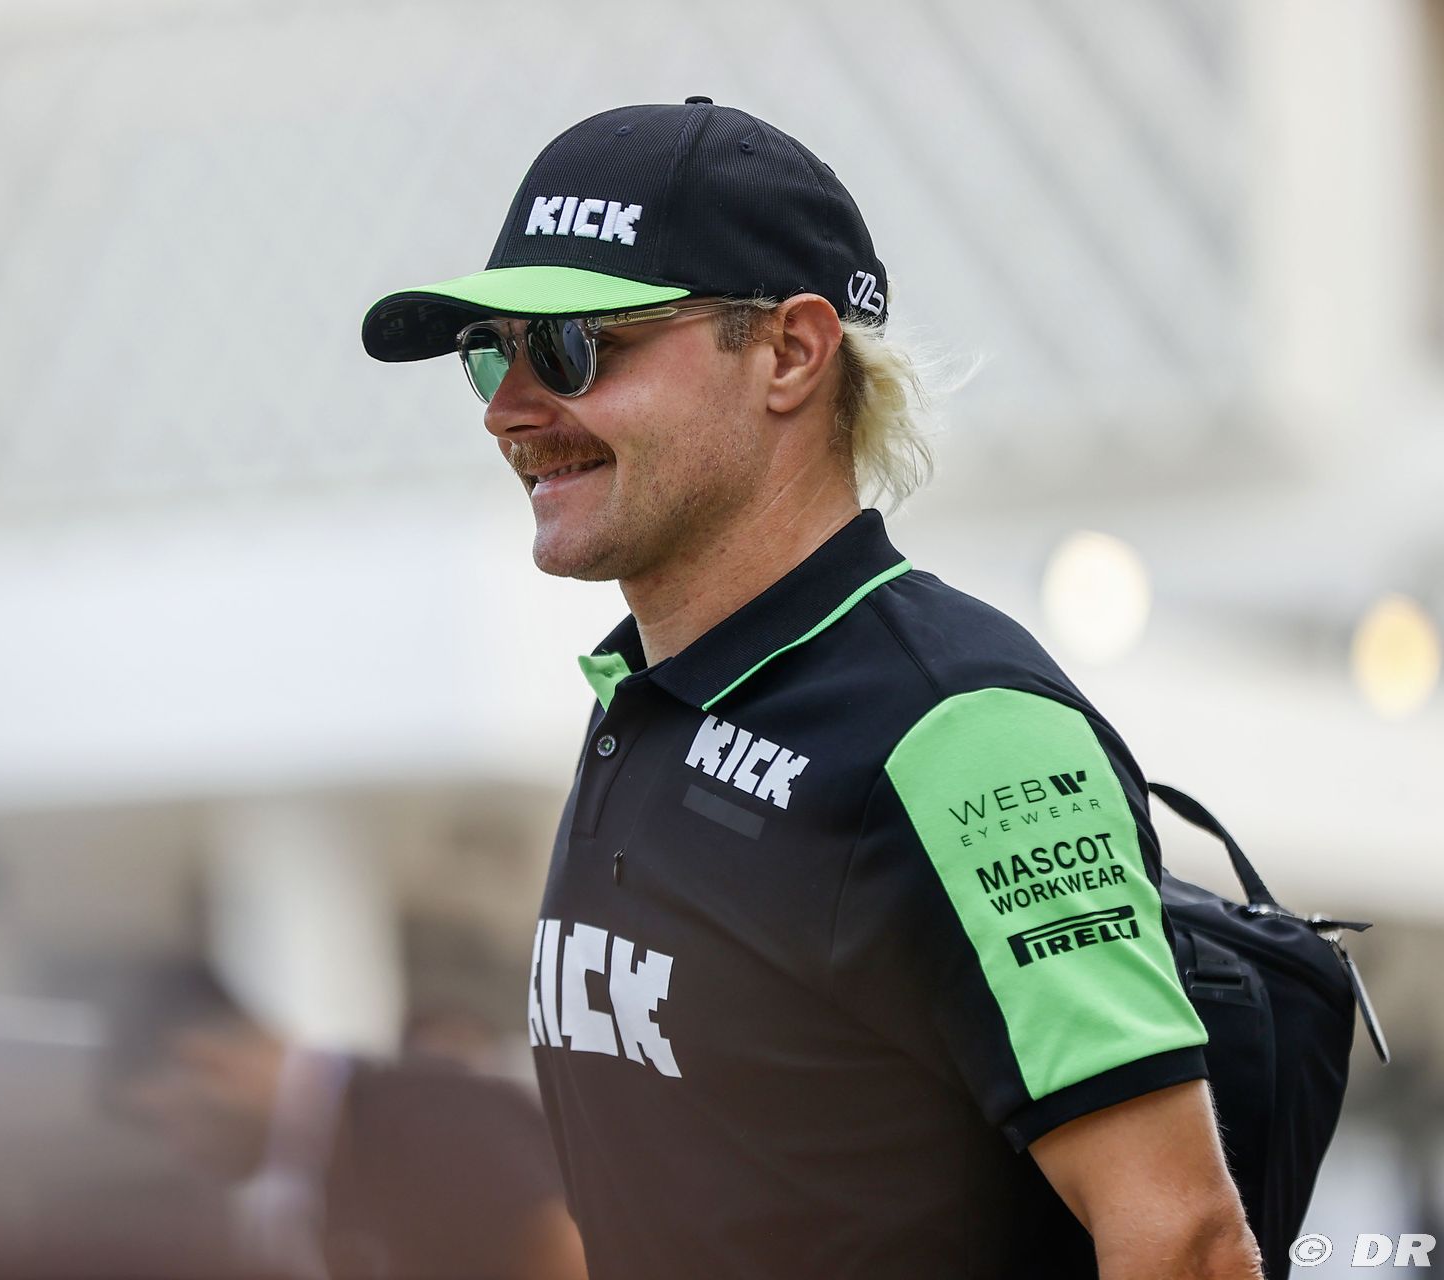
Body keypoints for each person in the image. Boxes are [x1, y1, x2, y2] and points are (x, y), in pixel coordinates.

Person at [361, 98, 1262, 1279]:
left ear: (790, 352)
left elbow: (1186, 1237)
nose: (506, 408)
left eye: (572, 345)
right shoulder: (646, 699)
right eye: (491, 351)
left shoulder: (959, 727)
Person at [95, 961, 587, 1280]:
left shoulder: (424, 1117)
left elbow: (570, 1263)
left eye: (163, 1123)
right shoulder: (327, 1160)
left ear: (208, 1063)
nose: (179, 1153)